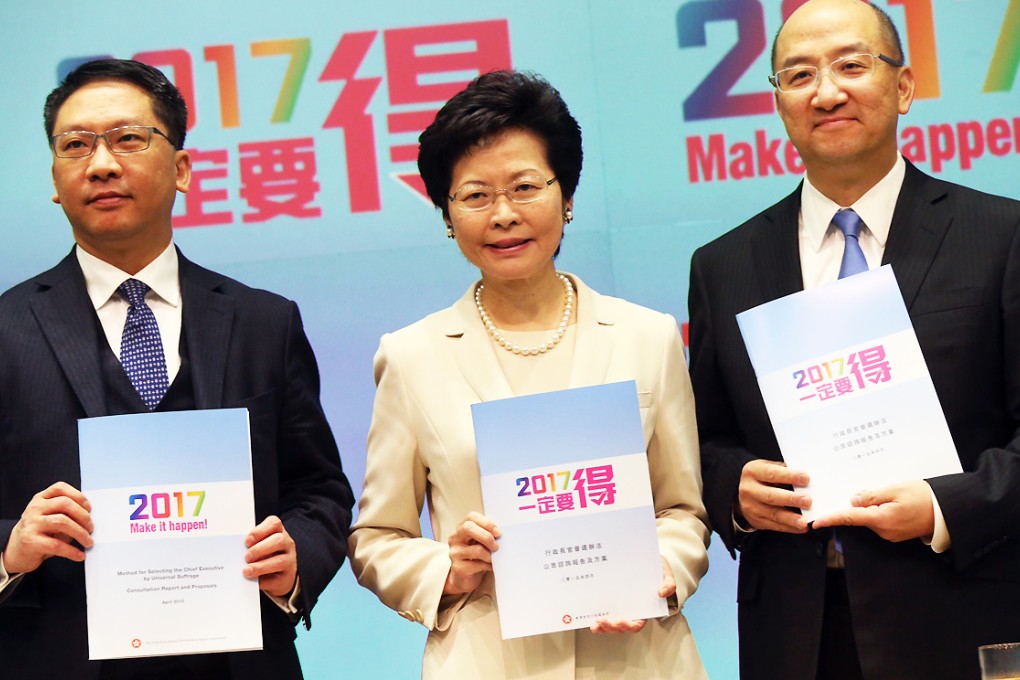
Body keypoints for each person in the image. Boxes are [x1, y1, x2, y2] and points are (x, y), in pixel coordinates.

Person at [688, 1, 1020, 678]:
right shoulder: (724, 265)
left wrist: (940, 506)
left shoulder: (1001, 236)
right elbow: (700, 436)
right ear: (779, 102)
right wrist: (734, 491)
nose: (827, 91)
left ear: (903, 87)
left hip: (959, 611)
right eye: (799, 74)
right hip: (796, 630)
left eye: (851, 65)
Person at [349, 70, 710, 679]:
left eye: (525, 187)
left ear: (566, 197)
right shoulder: (412, 356)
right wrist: (447, 568)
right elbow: (377, 536)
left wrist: (664, 570)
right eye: (475, 196)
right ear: (447, 215)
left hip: (640, 657)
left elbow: (681, 509)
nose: (504, 215)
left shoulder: (648, 336)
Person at [0, 59, 354, 678]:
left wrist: (296, 556)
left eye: (128, 139)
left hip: (240, 660)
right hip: (55, 657)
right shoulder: (5, 329)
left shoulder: (265, 321)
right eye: (75, 145)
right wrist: (10, 546)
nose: (102, 163)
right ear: (56, 179)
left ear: (183, 168)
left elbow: (319, 488)